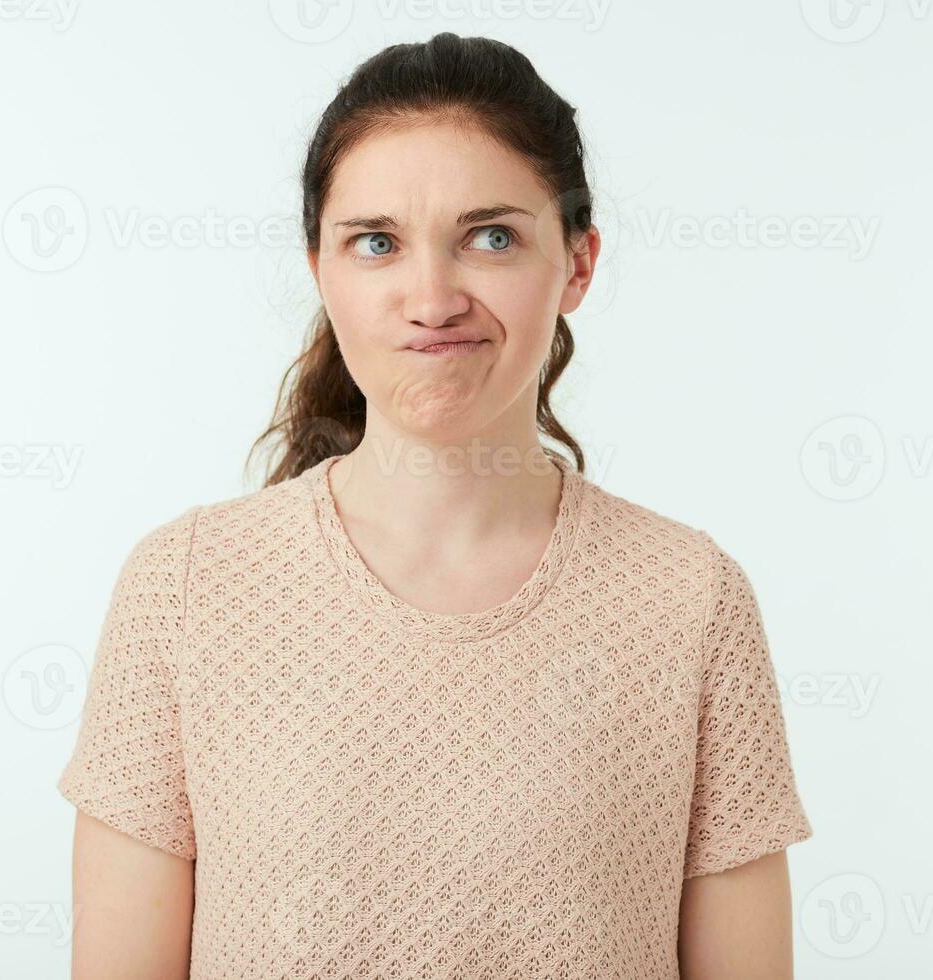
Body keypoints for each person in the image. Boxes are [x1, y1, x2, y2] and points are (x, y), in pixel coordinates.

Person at [56, 32, 812, 979]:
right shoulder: (186, 588)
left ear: (577, 264)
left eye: (490, 237)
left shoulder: (690, 599)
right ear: (321, 271)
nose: (431, 297)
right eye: (376, 243)